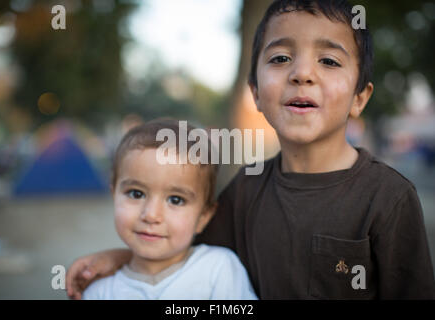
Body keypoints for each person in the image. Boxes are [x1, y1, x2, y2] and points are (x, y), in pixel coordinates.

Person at [67, 0, 435, 299]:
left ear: (359, 97)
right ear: (256, 92)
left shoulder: (389, 198)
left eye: (329, 60)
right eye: (280, 58)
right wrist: (119, 259)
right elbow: (180, 248)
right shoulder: (247, 188)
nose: (302, 73)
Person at [80, 119, 257, 299]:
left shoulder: (219, 270)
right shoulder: (98, 291)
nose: (151, 215)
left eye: (175, 200)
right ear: (114, 195)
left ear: (203, 217)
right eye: (136, 194)